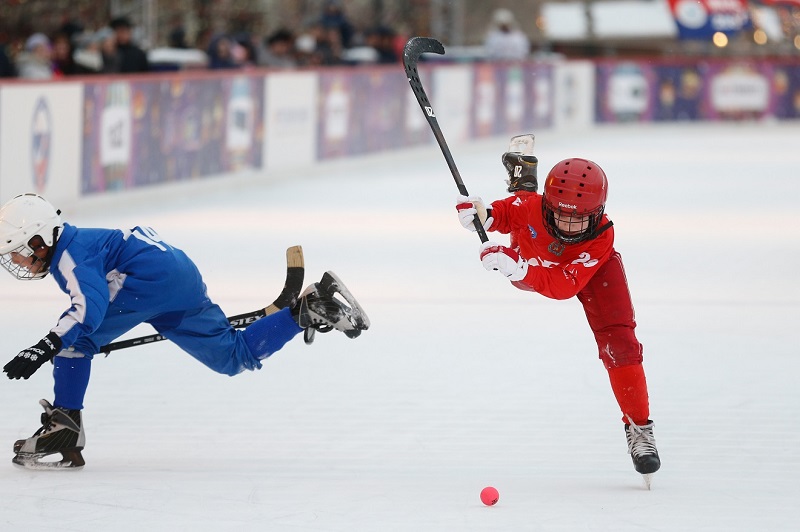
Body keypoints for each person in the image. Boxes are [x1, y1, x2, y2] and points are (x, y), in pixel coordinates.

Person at [0, 193, 369, 469]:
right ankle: (306, 310)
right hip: (178, 272)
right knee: (232, 357)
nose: (16, 260)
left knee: (74, 339)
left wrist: (44, 345)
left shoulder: (71, 257)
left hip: (147, 281)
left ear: (40, 240)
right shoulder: (79, 242)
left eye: (17, 251)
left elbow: (87, 310)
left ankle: (66, 424)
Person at [455, 135, 660, 482]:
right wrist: (481, 215)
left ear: (598, 214)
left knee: (621, 344)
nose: (567, 228)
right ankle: (523, 178)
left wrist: (517, 266)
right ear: (549, 205)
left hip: (589, 271)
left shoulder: (601, 236)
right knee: (522, 210)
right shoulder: (532, 208)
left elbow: (564, 286)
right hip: (535, 252)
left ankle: (640, 429)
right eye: (560, 217)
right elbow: (506, 214)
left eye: (578, 221)